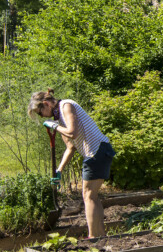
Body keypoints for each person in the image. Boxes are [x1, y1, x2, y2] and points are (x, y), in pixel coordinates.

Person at [27, 89, 115, 238]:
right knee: (92, 196)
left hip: (97, 151)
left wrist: (54, 126)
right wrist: (59, 169)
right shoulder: (58, 119)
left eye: (40, 113)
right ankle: (100, 236)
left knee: (88, 195)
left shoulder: (66, 106)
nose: (42, 117)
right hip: (98, 152)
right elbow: (71, 146)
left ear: (46, 104)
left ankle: (93, 238)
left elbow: (72, 132)